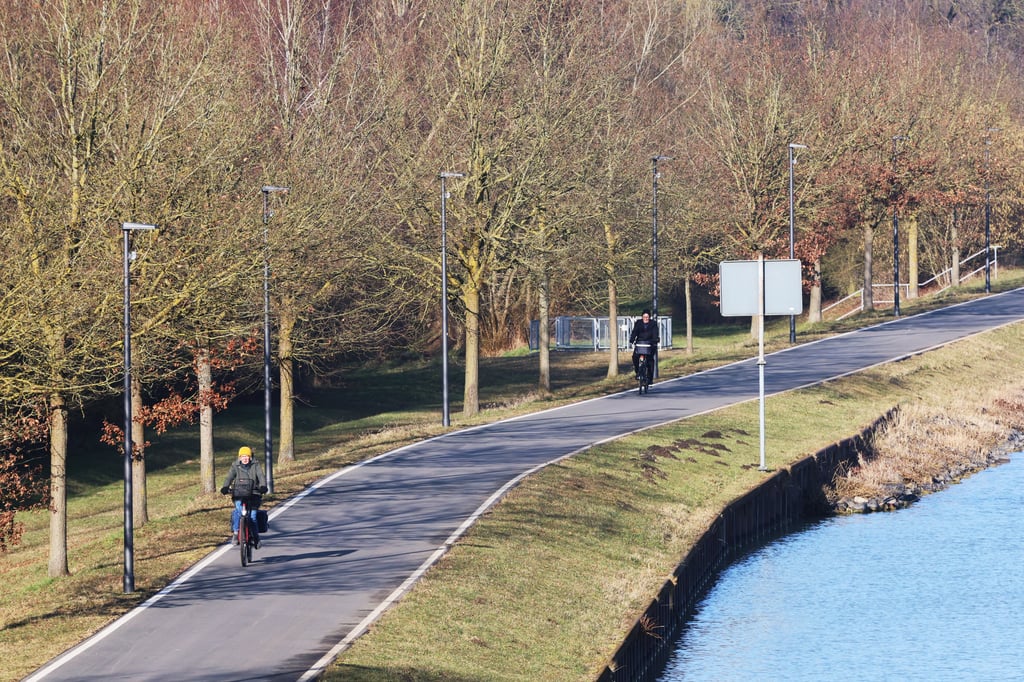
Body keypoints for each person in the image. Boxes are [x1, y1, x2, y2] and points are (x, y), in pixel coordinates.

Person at [220, 446, 267, 545]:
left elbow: (261, 477)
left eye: (247, 456)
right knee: (238, 511)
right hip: (239, 493)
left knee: (253, 516)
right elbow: (229, 477)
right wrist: (225, 487)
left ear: (250, 457)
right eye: (243, 456)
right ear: (240, 457)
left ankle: (256, 537)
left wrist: (263, 486)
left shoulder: (256, 465)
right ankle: (236, 533)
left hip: (254, 493)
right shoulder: (235, 465)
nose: (245, 458)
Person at [629, 309, 660, 383]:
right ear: (642, 317)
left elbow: (655, 333)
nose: (646, 318)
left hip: (650, 344)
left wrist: (655, 340)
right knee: (635, 357)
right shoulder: (638, 323)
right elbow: (635, 332)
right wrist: (632, 339)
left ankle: (650, 377)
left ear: (649, 317)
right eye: (644, 317)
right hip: (640, 343)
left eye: (647, 317)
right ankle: (637, 372)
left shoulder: (653, 324)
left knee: (650, 360)